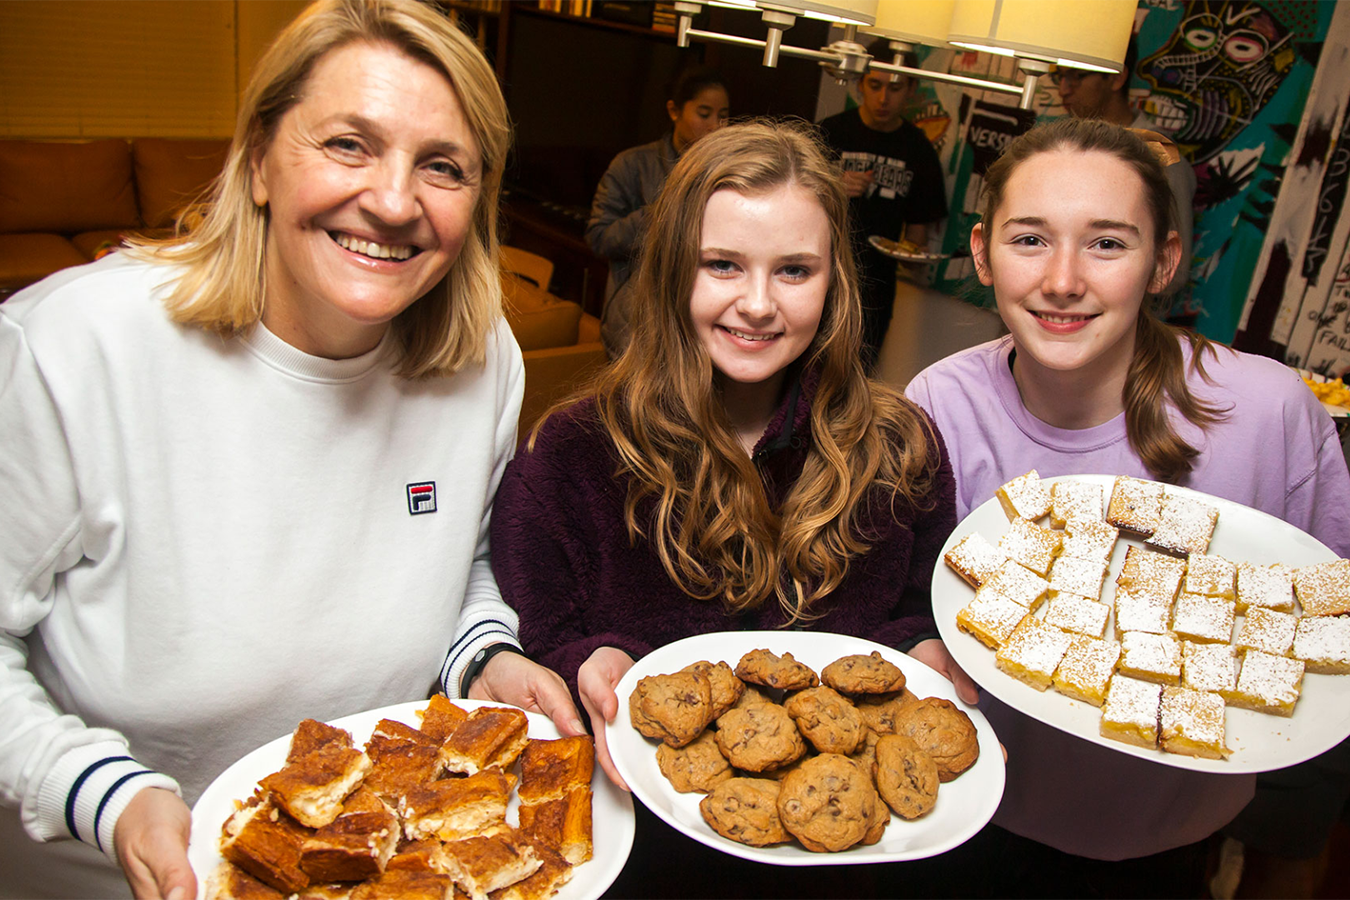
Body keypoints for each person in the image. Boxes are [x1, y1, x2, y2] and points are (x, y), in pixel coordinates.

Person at [0, 2, 582, 898]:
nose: (393, 202)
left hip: (375, 861)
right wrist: (102, 796)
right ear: (260, 157)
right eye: (348, 144)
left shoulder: (484, 361)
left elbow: (456, 559)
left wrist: (486, 656)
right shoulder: (70, 348)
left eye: (442, 166)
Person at [904, 117, 1350, 896]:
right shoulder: (938, 403)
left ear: (1164, 261)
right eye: (1030, 239)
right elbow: (903, 602)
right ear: (981, 252)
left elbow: (1327, 625)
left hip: (1172, 842)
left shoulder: (1270, 412)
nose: (1064, 279)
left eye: (1108, 243)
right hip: (966, 815)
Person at [817, 39, 947, 372]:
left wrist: (914, 255)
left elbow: (917, 238)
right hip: (823, 274)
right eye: (875, 85)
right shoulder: (830, 133)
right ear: (860, 82)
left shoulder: (918, 149)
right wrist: (832, 186)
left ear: (912, 89)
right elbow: (789, 208)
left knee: (855, 376)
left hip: (877, 288)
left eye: (895, 87)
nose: (883, 98)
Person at [586, 66, 729, 357]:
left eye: (723, 116)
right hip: (635, 326)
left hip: (701, 331)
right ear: (674, 111)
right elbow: (600, 237)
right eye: (704, 114)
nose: (716, 126)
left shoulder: (729, 173)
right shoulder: (632, 165)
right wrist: (664, 210)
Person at [1054, 35, 1196, 296]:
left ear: (1117, 78)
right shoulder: (1058, 144)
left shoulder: (1157, 153)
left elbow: (1174, 271)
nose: (1064, 89)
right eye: (1059, 77)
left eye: (1076, 76)